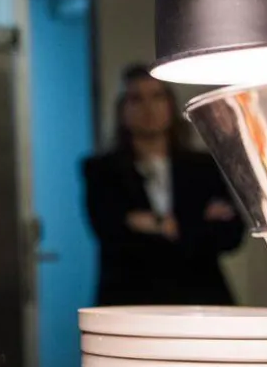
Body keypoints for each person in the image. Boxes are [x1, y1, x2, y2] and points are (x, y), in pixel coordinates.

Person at [81, 65, 245, 306]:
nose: (149, 108)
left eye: (157, 97)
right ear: (122, 109)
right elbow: (110, 230)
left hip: (200, 300)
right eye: (137, 99)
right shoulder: (102, 170)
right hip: (131, 302)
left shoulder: (201, 166)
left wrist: (154, 223)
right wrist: (194, 223)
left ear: (170, 104)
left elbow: (231, 234)